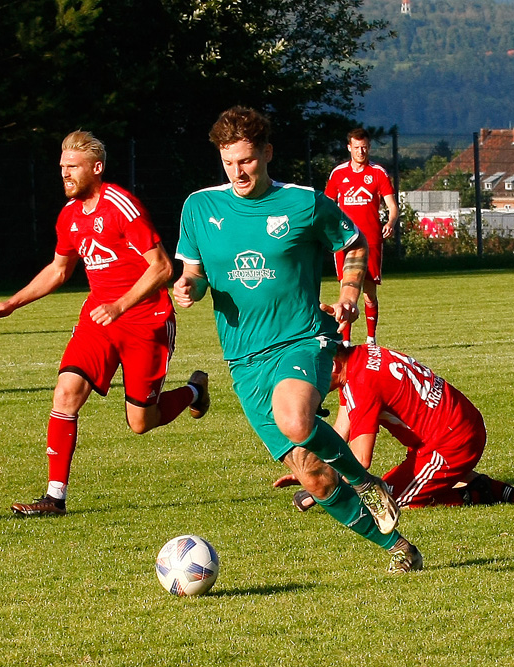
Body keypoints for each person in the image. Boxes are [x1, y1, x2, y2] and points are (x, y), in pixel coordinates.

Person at [173, 107, 421, 574]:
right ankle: (397, 547)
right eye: (229, 162)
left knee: (295, 417)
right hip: (244, 361)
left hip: (303, 337)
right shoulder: (200, 207)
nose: (238, 171)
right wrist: (189, 288)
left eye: (246, 160)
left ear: (266, 153)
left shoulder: (303, 203)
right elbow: (195, 272)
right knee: (313, 474)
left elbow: (352, 244)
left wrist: (349, 292)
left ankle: (365, 480)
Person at [0, 130, 210, 516]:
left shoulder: (122, 206)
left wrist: (119, 306)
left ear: (96, 168)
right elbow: (59, 269)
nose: (65, 174)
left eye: (73, 167)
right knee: (66, 391)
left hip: (145, 321)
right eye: (62, 167)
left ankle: (194, 391)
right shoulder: (69, 216)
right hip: (98, 319)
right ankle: (55, 497)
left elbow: (163, 268)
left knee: (141, 422)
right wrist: (12, 303)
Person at [274, 343, 514, 510]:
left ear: (332, 364)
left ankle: (478, 493)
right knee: (393, 490)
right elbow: (340, 433)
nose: (311, 383)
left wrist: (324, 488)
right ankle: (506, 492)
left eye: (313, 373)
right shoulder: (362, 357)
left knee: (384, 503)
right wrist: (314, 472)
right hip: (456, 429)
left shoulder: (361, 383)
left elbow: (360, 460)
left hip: (450, 442)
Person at [324, 128, 400, 346]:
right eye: (357, 147)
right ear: (349, 148)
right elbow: (328, 206)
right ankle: (346, 341)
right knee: (346, 289)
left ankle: (370, 340)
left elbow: (392, 206)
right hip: (344, 240)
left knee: (368, 292)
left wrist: (390, 222)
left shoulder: (378, 173)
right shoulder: (338, 173)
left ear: (369, 147)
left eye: (364, 147)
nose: (361, 151)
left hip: (370, 239)